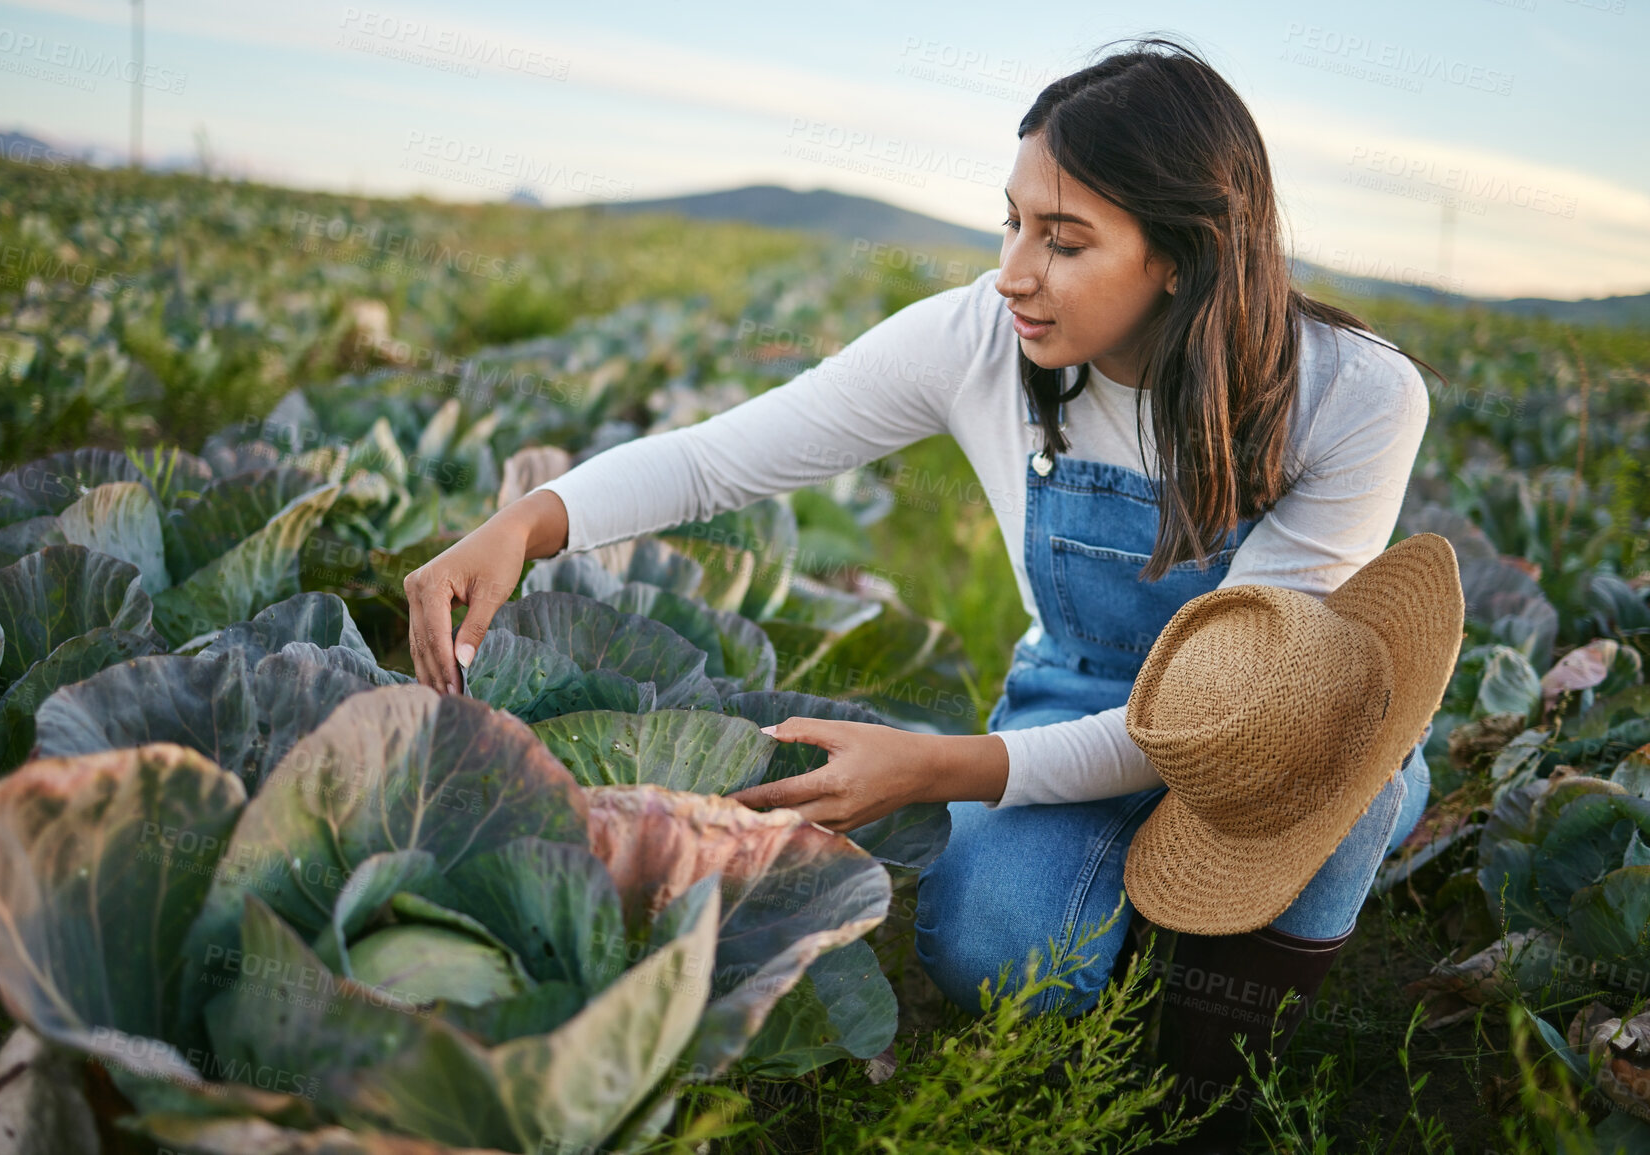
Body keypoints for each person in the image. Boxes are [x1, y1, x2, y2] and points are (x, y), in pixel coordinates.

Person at [404, 35, 1446, 1146]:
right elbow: (723, 459)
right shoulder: (979, 341)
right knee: (997, 956)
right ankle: (1179, 921)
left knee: (1353, 786)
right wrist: (530, 524)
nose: (1014, 271)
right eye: (1012, 222)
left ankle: (1217, 1062)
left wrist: (943, 770)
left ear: (1182, 256)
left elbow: (1224, 717)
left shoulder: (1355, 396)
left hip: (1260, 730)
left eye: (1066, 240)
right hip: (1080, 689)